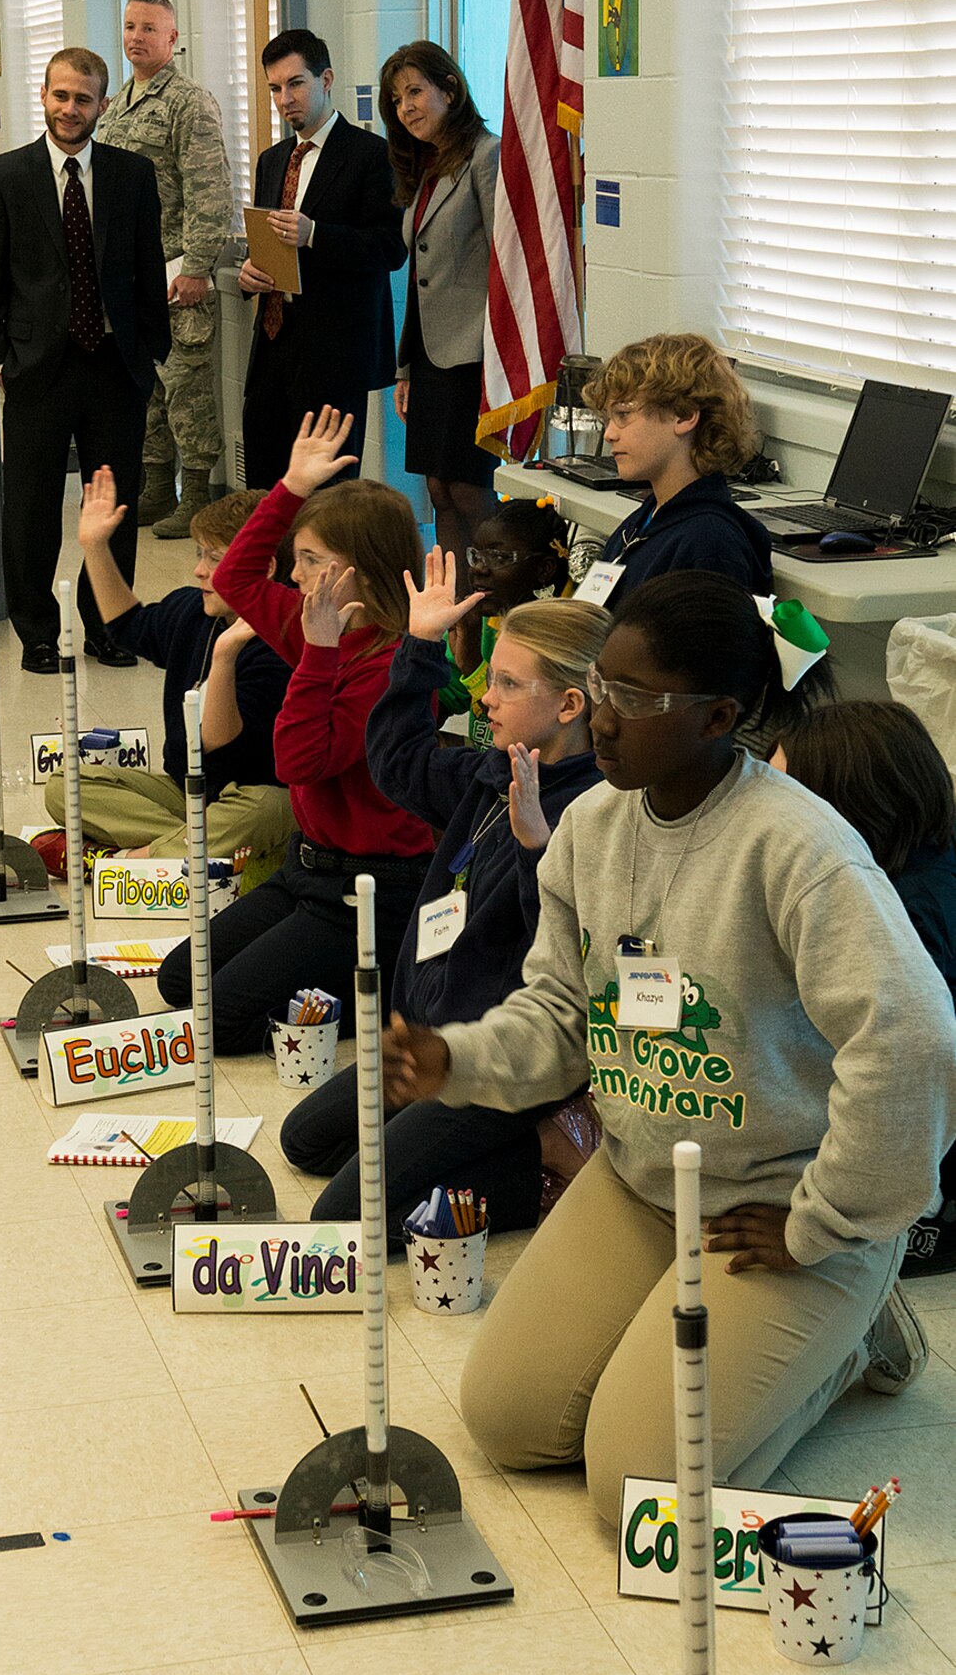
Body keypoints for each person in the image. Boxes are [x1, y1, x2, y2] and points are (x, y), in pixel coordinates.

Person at [382, 570, 956, 1521]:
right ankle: (723, 1343)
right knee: (508, 1422)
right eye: (601, 687)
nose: (601, 718)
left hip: (777, 1206)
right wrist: (459, 1059)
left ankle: (856, 1328)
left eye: (637, 700)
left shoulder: (800, 851)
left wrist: (826, 1220)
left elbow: (910, 1038)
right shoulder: (591, 830)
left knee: (636, 1492)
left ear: (719, 716)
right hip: (643, 1177)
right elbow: (563, 1010)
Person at [280, 550, 608, 1241]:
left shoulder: (593, 811)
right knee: (306, 1140)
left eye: (507, 685)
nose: (485, 698)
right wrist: (420, 644)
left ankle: (550, 1164)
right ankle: (474, 1144)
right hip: (430, 1037)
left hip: (499, 1061)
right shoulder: (494, 770)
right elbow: (398, 762)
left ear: (569, 705)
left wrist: (535, 851)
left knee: (346, 1217)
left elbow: (569, 955)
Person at [157, 408, 432, 1053]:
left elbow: (298, 761)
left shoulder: (390, 664)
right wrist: (292, 488)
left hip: (368, 889)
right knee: (179, 980)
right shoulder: (316, 618)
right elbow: (236, 577)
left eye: (311, 561)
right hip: (303, 869)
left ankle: (386, 978)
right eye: (298, 559)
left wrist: (318, 651)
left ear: (360, 569)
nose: (297, 576)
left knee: (219, 1025)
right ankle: (338, 976)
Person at [0, 47, 170, 672]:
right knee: (28, 507)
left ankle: (109, 625)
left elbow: (145, 269)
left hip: (116, 368)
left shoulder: (132, 175)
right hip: (35, 370)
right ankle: (35, 632)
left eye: (84, 99)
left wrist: (150, 354)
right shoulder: (7, 176)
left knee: (113, 503)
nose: (71, 109)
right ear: (45, 98)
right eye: (61, 96)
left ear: (102, 105)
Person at [772, 700, 956, 1277]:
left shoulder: (905, 914)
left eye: (783, 798)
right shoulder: (926, 865)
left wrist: (814, 1228)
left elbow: (894, 1076)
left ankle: (870, 1324)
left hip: (920, 1186)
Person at [43, 468, 293, 861]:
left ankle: (143, 858)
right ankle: (186, 847)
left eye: (215, 558)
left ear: (263, 569)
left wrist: (225, 655)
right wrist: (95, 547)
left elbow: (218, 742)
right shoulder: (193, 610)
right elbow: (127, 626)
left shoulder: (285, 641)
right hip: (188, 791)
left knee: (269, 810)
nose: (199, 570)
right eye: (199, 554)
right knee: (65, 786)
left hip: (251, 793)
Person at [239, 29, 406, 491]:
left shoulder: (370, 155)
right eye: (274, 88)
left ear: (326, 79)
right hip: (273, 343)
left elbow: (389, 248)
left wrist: (317, 236)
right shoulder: (272, 161)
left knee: (326, 496)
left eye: (296, 84)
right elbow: (268, 245)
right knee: (265, 485)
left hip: (334, 353)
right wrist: (251, 275)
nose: (284, 99)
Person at [95, 0, 234, 540]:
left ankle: (196, 499)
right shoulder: (117, 104)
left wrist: (197, 267)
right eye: (130, 26)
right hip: (130, 279)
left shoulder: (188, 103)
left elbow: (210, 193)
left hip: (178, 272)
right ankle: (155, 490)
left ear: (173, 39)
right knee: (145, 388)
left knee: (186, 386)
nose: (136, 37)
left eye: (149, 28)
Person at [378, 41, 502, 567]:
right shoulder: (427, 164)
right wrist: (406, 366)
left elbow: (508, 263)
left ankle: (505, 609)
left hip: (475, 356)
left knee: (470, 490)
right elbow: (422, 279)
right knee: (438, 492)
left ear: (449, 88)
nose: (406, 107)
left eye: (415, 91)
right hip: (430, 357)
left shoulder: (486, 153)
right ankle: (455, 626)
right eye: (396, 98)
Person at [577, 333, 773, 611]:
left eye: (623, 415)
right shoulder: (645, 519)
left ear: (684, 415)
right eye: (608, 419)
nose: (609, 434)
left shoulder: (709, 545)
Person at [440, 495, 570, 748]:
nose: (479, 568)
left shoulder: (562, 636)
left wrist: (473, 666)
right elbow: (437, 701)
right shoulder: (486, 618)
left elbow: (521, 738)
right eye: (476, 555)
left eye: (499, 558)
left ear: (544, 569)